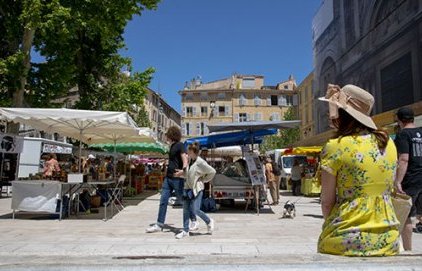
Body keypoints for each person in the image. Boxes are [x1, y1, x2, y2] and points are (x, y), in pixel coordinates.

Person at [317, 84, 400, 256]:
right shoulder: (389, 143)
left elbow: (327, 202)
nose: (329, 114)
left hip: (345, 236)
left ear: (342, 114)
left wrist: (331, 225)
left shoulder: (335, 146)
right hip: (388, 238)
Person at [146, 126, 196, 233]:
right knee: (163, 200)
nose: (166, 136)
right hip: (168, 178)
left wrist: (183, 171)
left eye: (167, 134)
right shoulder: (172, 146)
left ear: (171, 134)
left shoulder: (180, 145)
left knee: (183, 200)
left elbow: (185, 158)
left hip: (177, 178)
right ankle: (159, 224)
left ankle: (193, 220)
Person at [394, 107, 422, 250]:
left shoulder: (403, 135)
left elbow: (404, 159)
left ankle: (408, 250)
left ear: (399, 120)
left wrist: (398, 181)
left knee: (406, 216)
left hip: (411, 178)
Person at [175, 142, 216, 239]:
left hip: (196, 189)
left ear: (193, 151)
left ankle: (209, 221)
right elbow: (189, 174)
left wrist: (203, 179)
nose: (187, 152)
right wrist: (180, 174)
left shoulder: (200, 162)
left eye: (188, 150)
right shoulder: (190, 161)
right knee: (185, 210)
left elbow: (212, 171)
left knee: (195, 209)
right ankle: (185, 230)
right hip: (187, 189)